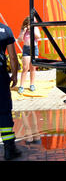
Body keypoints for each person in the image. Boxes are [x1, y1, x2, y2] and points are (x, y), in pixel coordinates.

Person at [0, 22, 21, 160]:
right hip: (0, 77)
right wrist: (14, 75)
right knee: (4, 112)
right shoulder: (5, 30)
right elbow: (13, 57)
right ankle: (9, 149)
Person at [17, 17, 41, 94]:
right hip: (26, 49)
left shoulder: (35, 28)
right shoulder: (23, 29)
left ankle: (32, 84)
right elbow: (19, 40)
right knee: (25, 68)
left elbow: (38, 37)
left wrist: (32, 30)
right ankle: (21, 86)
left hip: (34, 48)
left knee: (33, 68)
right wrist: (23, 32)